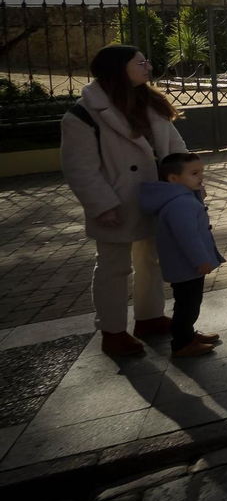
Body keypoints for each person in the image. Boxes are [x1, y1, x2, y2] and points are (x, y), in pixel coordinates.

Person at [61, 45, 187, 356]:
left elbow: (174, 146)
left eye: (147, 60)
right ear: (118, 69)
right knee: (113, 268)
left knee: (151, 260)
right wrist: (101, 205)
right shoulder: (83, 114)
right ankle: (113, 331)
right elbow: (80, 168)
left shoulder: (150, 101)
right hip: (117, 201)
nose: (148, 66)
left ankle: (150, 317)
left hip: (156, 196)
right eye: (140, 62)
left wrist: (189, 180)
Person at [139, 153, 224, 357]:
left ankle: (188, 335)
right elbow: (188, 236)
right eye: (194, 173)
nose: (200, 177)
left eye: (201, 172)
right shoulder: (180, 203)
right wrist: (201, 260)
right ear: (173, 179)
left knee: (188, 303)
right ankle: (182, 344)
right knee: (188, 306)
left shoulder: (181, 198)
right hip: (187, 267)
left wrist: (197, 194)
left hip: (184, 266)